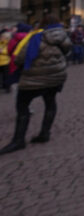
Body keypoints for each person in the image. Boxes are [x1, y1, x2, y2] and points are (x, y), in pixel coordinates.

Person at [0, 14, 70, 155]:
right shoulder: (64, 37)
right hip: (55, 77)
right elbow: (67, 53)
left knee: (22, 106)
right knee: (50, 103)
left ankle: (19, 140)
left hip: (34, 78)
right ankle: (45, 133)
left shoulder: (36, 37)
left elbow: (20, 58)